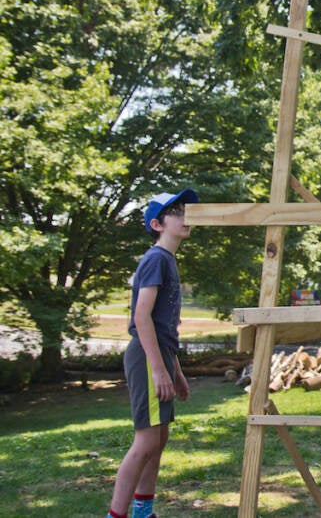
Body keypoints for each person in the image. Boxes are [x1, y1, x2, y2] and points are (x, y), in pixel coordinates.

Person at [106, 188, 198, 518]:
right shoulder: (156, 258)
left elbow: (162, 328)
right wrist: (158, 370)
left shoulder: (167, 260)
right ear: (158, 224)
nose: (186, 215)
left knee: (158, 439)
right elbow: (141, 317)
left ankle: (143, 511)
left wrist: (176, 373)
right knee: (145, 442)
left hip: (159, 355)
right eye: (177, 211)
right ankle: (117, 515)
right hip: (146, 358)